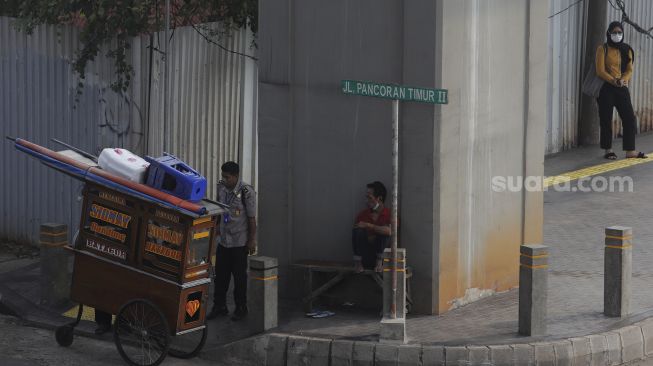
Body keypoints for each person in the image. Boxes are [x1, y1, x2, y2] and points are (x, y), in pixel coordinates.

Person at [207, 161, 257, 321]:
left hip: (239, 243)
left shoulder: (246, 192)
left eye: (227, 177)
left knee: (239, 278)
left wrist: (251, 241)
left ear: (236, 176)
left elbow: (251, 219)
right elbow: (217, 211)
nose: (224, 179)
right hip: (224, 242)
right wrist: (214, 233)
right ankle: (219, 306)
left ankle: (241, 308)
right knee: (220, 277)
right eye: (223, 176)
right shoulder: (221, 187)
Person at [596, 21, 647, 160]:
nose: (617, 35)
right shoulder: (603, 49)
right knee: (606, 118)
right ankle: (608, 149)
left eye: (619, 32)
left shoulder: (627, 49)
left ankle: (630, 150)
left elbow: (630, 69)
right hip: (606, 87)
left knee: (629, 118)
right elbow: (600, 71)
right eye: (614, 32)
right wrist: (614, 80)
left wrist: (624, 79)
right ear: (608, 33)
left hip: (621, 88)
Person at [352, 181, 391, 273]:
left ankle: (379, 262)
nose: (366, 201)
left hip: (383, 257)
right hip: (365, 256)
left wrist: (369, 226)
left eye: (369, 198)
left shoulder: (389, 214)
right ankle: (358, 263)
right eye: (366, 197)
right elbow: (356, 235)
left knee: (384, 231)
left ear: (379, 199)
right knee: (358, 230)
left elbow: (390, 231)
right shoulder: (362, 215)